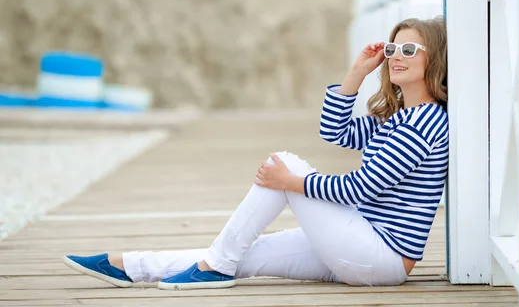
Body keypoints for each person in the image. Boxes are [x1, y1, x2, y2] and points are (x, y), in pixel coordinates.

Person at [62, 16, 449, 290]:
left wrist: (292, 182)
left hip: (380, 256)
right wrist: (356, 74)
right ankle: (130, 266)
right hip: (358, 243)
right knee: (240, 252)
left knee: (284, 164)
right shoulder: (398, 118)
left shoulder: (423, 124)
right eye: (394, 46)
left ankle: (213, 267)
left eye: (411, 49)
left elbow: (358, 190)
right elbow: (336, 131)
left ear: (435, 60)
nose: (397, 54)